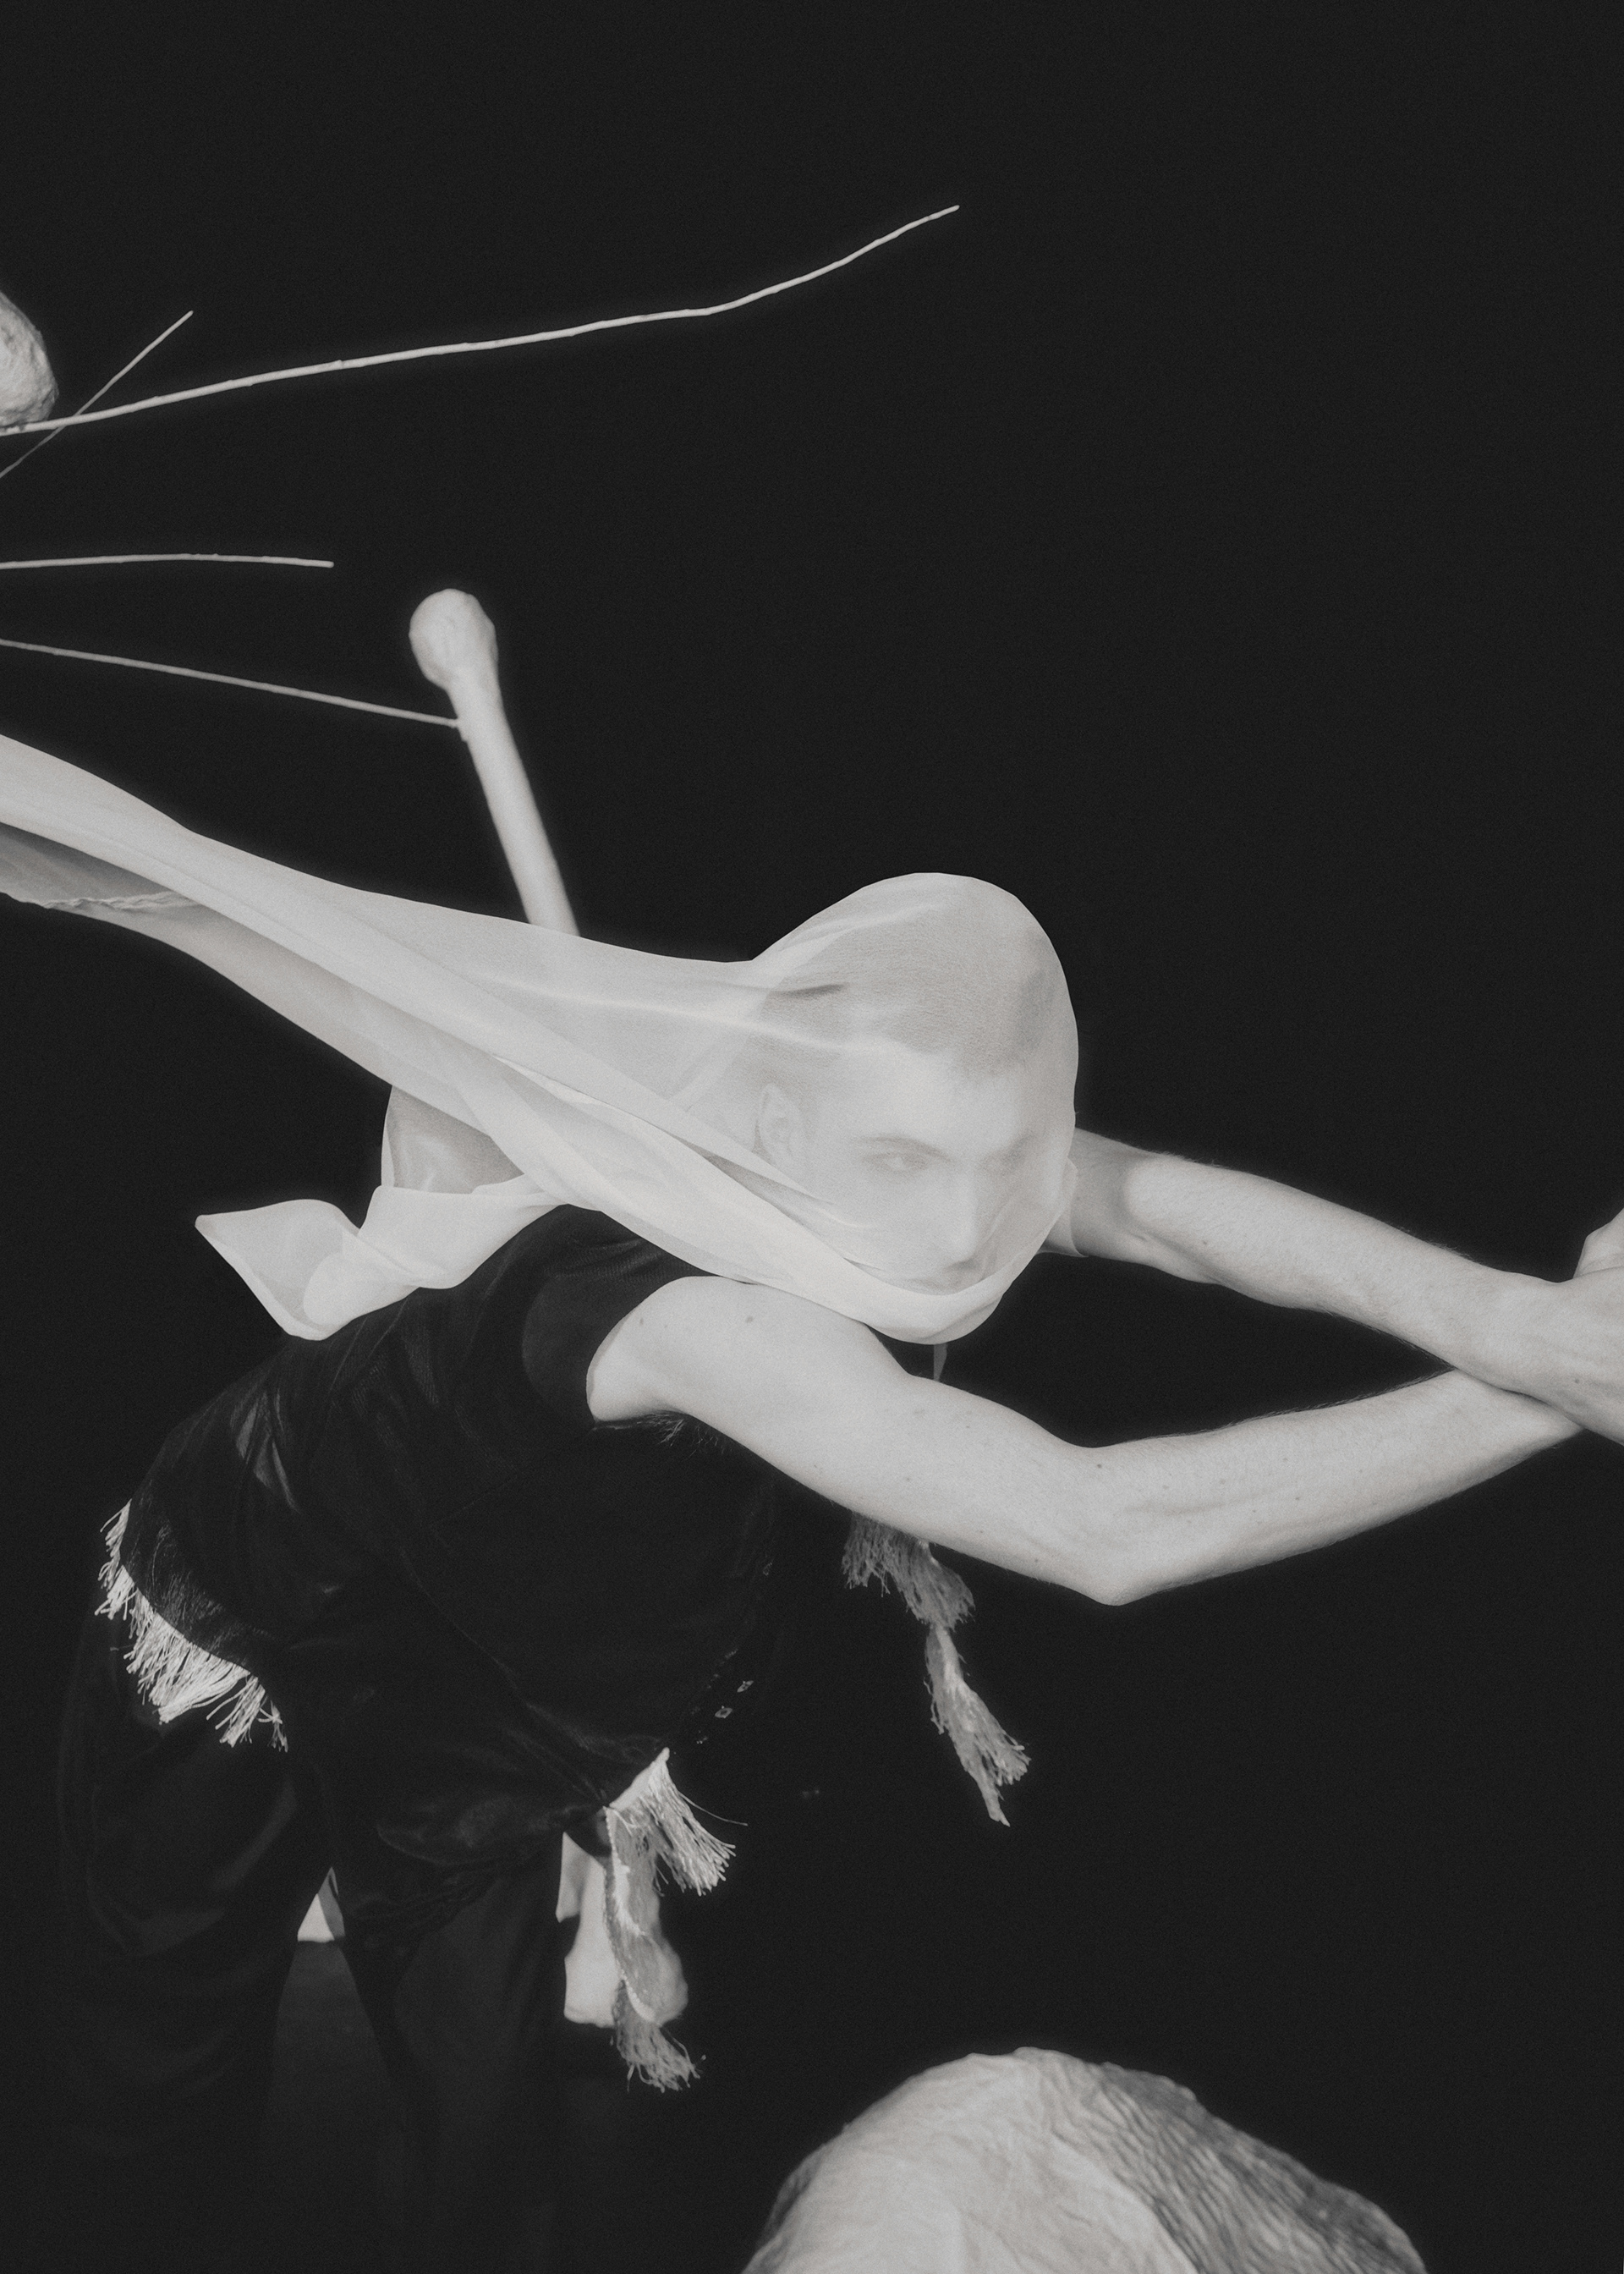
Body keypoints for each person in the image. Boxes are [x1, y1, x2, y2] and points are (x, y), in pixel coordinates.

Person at [4, 722, 1621, 2274]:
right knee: (151, 2057)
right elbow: (1103, 1528)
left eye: (1002, 1161)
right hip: (262, 1607)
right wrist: (1548, 1395)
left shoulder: (881, 1148)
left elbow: (1153, 1208)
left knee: (483, 2118)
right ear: (781, 1125)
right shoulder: (701, 1320)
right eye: (909, 1164)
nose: (963, 1228)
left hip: (476, 1679)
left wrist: (1511, 1318)